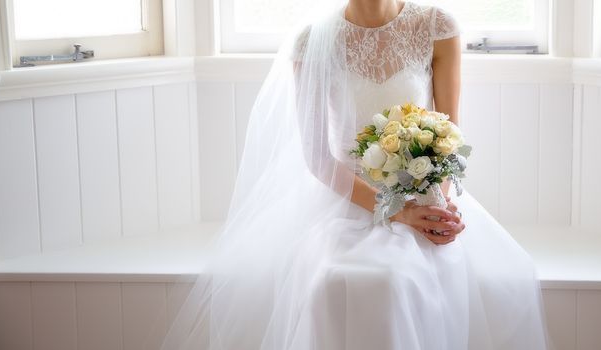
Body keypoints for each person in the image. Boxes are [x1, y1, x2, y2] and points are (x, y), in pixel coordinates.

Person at [159, 1, 549, 349]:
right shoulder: (313, 42)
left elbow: (450, 138)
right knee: (332, 283)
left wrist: (436, 204)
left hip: (421, 192)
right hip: (345, 201)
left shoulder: (435, 26)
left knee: (404, 280)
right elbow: (317, 158)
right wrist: (394, 211)